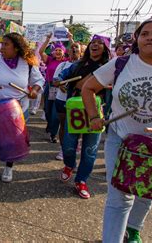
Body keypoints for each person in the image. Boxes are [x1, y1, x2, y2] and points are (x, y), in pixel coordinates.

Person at [82, 17, 152, 242]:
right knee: (119, 197)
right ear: (137, 38)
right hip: (121, 138)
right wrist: (94, 117)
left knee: (145, 193)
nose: (150, 37)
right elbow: (88, 88)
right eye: (145, 33)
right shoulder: (121, 63)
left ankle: (133, 229)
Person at [0, 33, 44, 199]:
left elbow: (39, 81)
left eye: (6, 44)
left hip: (16, 111)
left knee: (11, 144)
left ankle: (9, 165)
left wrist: (34, 90)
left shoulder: (27, 63)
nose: (2, 47)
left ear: (16, 47)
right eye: (2, 44)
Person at [54, 35, 111, 199]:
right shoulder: (78, 65)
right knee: (68, 145)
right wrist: (59, 80)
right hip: (75, 110)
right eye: (93, 43)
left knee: (90, 150)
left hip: (98, 111)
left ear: (106, 48)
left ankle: (81, 180)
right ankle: (69, 165)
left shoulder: (110, 68)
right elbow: (63, 74)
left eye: (100, 43)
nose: (96, 45)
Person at [52, 41, 82, 160]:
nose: (74, 49)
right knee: (63, 124)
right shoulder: (62, 65)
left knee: (77, 125)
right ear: (68, 51)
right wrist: (60, 85)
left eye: (76, 47)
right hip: (61, 99)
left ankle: (76, 143)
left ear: (81, 51)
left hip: (78, 100)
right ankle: (63, 149)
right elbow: (55, 80)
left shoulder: (84, 65)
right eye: (72, 47)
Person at [38, 33, 71, 142]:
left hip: (61, 88)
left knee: (55, 113)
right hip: (49, 86)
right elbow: (40, 52)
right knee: (47, 110)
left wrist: (71, 39)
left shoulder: (66, 62)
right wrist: (47, 39)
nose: (57, 52)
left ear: (64, 52)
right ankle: (50, 125)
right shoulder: (50, 60)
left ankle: (53, 134)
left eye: (60, 50)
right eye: (56, 50)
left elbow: (77, 52)